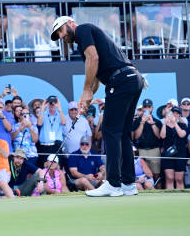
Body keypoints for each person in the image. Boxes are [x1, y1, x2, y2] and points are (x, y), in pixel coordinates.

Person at [51, 16, 145, 197]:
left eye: (61, 31)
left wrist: (87, 91)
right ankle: (128, 184)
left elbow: (93, 59)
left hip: (121, 81)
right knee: (123, 133)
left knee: (110, 131)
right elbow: (94, 77)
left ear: (70, 23)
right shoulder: (84, 41)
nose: (62, 36)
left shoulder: (83, 30)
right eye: (58, 35)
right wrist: (85, 98)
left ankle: (114, 184)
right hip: (132, 79)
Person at [160, 107, 188, 189]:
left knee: (179, 179)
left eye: (177, 113)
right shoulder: (164, 125)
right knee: (169, 178)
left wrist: (175, 123)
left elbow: (182, 135)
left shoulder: (182, 125)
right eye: (173, 113)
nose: (175, 115)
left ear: (179, 115)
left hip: (180, 154)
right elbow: (162, 136)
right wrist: (165, 123)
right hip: (168, 154)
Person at [36, 95, 65, 167]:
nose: (52, 104)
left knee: (56, 168)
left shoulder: (59, 114)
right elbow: (39, 123)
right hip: (44, 146)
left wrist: (59, 108)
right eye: (50, 103)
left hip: (56, 146)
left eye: (54, 103)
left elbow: (64, 123)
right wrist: (42, 108)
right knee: (43, 168)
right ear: (48, 104)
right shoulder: (43, 114)